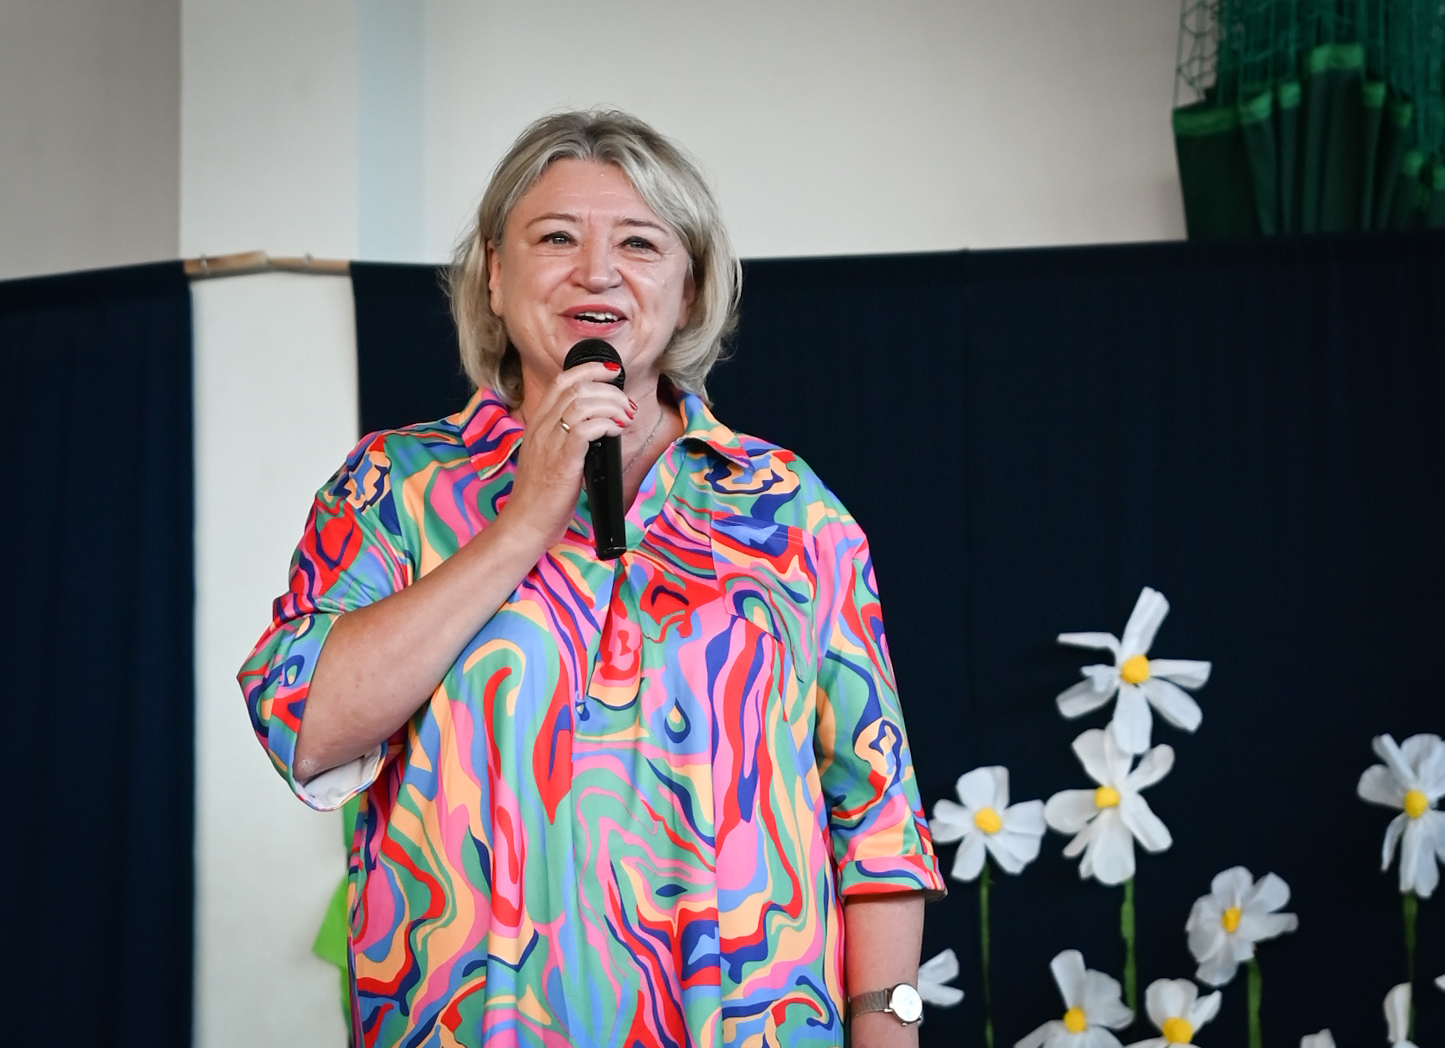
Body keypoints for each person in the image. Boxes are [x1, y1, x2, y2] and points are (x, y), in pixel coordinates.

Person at [239, 109, 943, 1048]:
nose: (597, 272)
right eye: (556, 238)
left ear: (689, 290)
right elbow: (306, 726)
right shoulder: (392, 488)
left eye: (640, 243)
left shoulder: (791, 512)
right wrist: (523, 522)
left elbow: (877, 819)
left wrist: (889, 1030)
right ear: (495, 276)